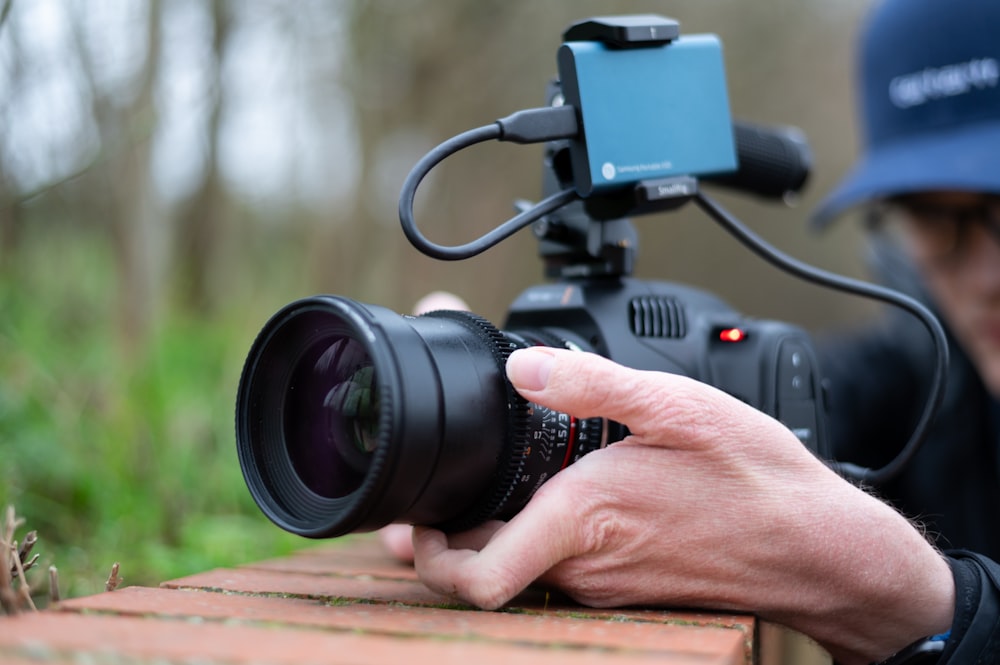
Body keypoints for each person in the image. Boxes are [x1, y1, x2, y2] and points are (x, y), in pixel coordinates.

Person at [387, 1, 1000, 662]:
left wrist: (915, 598)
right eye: (936, 222)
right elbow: (772, 415)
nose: (987, 275)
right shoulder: (923, 383)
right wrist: (482, 414)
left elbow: (845, 555)